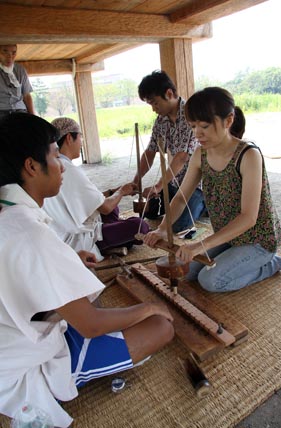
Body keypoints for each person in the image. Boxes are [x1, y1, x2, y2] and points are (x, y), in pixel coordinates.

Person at [0, 112, 174, 428]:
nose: (61, 167)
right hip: (16, 367)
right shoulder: (28, 231)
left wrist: (67, 259)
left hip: (11, 340)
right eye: (55, 157)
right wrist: (149, 306)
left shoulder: (8, 212)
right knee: (162, 325)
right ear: (31, 166)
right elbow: (91, 325)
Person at [143, 87, 281, 292]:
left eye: (205, 126)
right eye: (192, 126)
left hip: (257, 240)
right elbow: (182, 198)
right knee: (187, 270)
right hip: (229, 237)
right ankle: (238, 259)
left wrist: (200, 246)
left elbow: (248, 217)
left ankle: (271, 263)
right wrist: (163, 229)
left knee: (211, 281)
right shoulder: (201, 154)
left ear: (228, 121)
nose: (197, 133)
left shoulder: (248, 155)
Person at [43, 117, 150, 262]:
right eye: (80, 136)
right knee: (140, 226)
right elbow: (105, 207)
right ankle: (105, 244)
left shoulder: (57, 164)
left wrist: (113, 191)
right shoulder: (67, 168)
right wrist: (122, 192)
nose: (82, 142)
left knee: (114, 209)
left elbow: (89, 198)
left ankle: (115, 236)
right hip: (78, 238)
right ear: (69, 138)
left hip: (73, 228)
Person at [133, 70, 205, 234]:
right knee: (150, 211)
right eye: (150, 104)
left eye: (155, 103)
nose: (153, 109)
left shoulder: (190, 114)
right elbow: (150, 152)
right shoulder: (161, 121)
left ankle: (205, 204)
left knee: (179, 227)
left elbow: (181, 157)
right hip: (173, 181)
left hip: (195, 183)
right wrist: (137, 181)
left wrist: (158, 186)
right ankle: (179, 202)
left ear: (169, 93)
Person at [0, 44, 35, 120]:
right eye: (5, 52)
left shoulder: (20, 70)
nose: (10, 56)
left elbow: (26, 95)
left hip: (20, 111)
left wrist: (33, 118)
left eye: (13, 53)